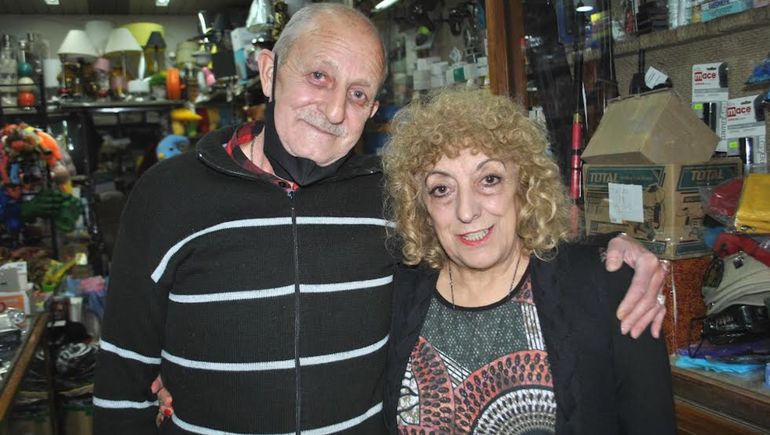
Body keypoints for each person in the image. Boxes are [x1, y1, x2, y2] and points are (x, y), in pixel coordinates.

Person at [93, 4, 668, 434]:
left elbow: (516, 236)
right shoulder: (169, 196)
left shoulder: (383, 200)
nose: (334, 109)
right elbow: (122, 385)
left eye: (358, 93)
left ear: (372, 108)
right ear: (268, 72)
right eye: (318, 77)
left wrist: (621, 247)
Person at [381, 88, 676, 434]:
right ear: (422, 207)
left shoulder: (611, 288)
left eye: (489, 180)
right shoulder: (394, 296)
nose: (467, 211)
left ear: (524, 185)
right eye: (441, 189)